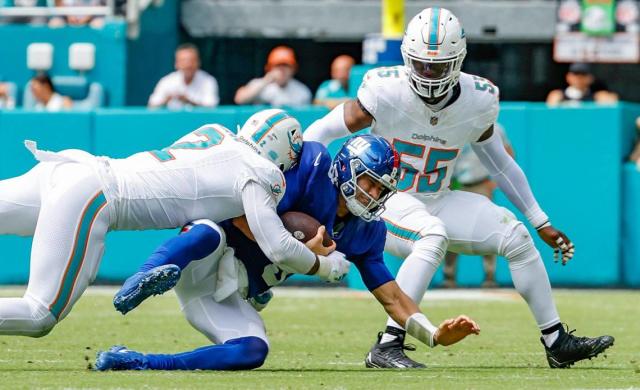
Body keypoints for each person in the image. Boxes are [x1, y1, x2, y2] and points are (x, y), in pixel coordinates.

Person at [303, 7, 614, 369]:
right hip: (386, 203)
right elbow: (320, 132)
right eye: (421, 65)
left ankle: (556, 341)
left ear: (459, 60)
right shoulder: (384, 90)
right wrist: (309, 189)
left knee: (515, 236)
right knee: (431, 235)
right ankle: (388, 344)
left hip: (437, 197)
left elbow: (500, 163)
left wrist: (538, 219)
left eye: (439, 66)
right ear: (407, 58)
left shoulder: (477, 99)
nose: (429, 74)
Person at [94, 133, 481, 371]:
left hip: (229, 289)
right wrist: (300, 252)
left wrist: (433, 334)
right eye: (371, 184)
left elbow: (394, 298)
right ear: (347, 170)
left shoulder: (365, 232)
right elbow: (246, 218)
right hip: (210, 251)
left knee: (252, 351)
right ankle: (146, 274)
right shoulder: (310, 172)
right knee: (209, 233)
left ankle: (140, 361)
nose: (375, 196)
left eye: (382, 190)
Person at [0, 109, 356, 340]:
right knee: (39, 315)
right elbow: (277, 245)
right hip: (95, 196)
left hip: (73, 168)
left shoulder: (214, 131)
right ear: (284, 151)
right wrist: (325, 266)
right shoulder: (261, 173)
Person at [443, 123, 514, 288]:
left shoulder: (494, 128)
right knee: (450, 228)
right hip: (455, 182)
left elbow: (508, 153)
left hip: (481, 182)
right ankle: (449, 276)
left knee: (488, 227)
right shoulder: (455, 124)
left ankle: (490, 276)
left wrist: (496, 179)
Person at [234, 46, 312, 107]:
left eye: (286, 66)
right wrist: (265, 81)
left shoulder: (302, 91)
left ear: (293, 69)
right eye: (277, 65)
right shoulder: (259, 84)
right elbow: (239, 99)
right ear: (269, 68)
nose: (282, 70)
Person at [148, 43, 219, 109]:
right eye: (183, 61)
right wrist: (166, 99)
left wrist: (188, 101)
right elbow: (151, 107)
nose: (188, 65)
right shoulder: (166, 81)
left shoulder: (208, 81)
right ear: (176, 64)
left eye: (191, 61)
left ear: (198, 62)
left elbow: (211, 108)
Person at [546, 63, 618, 106]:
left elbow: (612, 105)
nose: (579, 78)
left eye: (583, 75)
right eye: (575, 74)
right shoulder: (558, 95)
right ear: (568, 77)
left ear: (590, 78)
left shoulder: (597, 97)